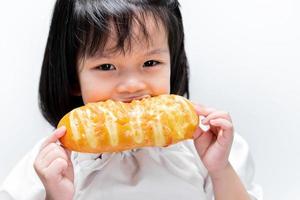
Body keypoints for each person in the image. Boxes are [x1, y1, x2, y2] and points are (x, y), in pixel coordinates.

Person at [0, 0, 263, 199]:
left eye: (150, 62)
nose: (132, 86)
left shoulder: (205, 147)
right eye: (106, 66)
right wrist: (55, 196)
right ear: (72, 78)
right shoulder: (50, 162)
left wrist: (220, 170)